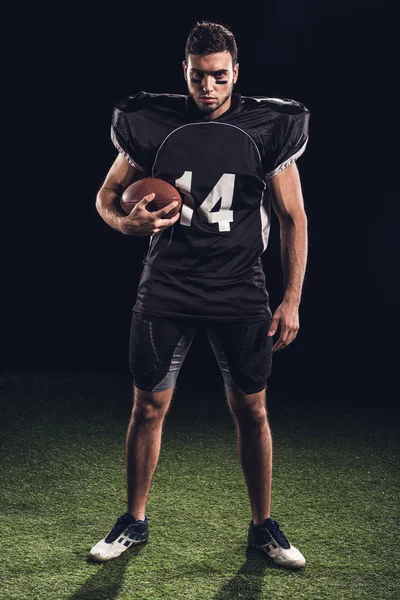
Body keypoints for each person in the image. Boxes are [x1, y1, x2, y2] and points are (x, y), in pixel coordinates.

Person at [89, 21, 309, 569]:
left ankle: (263, 527)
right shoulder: (155, 124)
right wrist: (124, 225)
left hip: (239, 287)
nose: (206, 88)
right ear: (183, 74)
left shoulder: (266, 126)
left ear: (236, 72)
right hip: (167, 286)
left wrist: (291, 299)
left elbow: (292, 217)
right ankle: (133, 521)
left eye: (217, 76)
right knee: (147, 407)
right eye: (196, 77)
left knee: (252, 410)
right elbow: (106, 195)